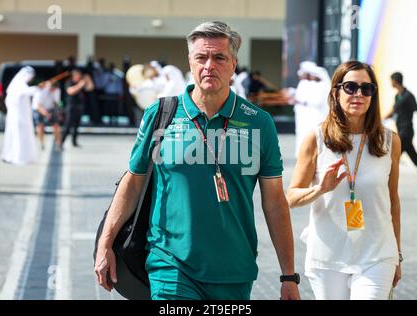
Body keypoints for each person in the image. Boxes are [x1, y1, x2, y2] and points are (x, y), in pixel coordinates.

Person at [94, 21, 301, 300]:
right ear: (190, 62)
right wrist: (105, 243)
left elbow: (275, 201)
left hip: (234, 270)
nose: (209, 66)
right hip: (171, 265)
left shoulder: (259, 123)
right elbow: (132, 182)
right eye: (201, 57)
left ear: (233, 64)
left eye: (219, 57)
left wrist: (289, 275)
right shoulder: (161, 114)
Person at [287, 61, 402, 300]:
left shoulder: (389, 141)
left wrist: (397, 255)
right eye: (350, 87)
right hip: (328, 257)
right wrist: (320, 189)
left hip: (377, 255)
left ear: (373, 95)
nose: (358, 94)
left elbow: (393, 202)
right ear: (335, 92)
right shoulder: (316, 138)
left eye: (366, 88)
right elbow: (292, 197)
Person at [384, 72, 417, 199]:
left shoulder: (409, 96)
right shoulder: (397, 97)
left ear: (395, 81)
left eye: (391, 81)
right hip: (401, 132)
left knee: (392, 158)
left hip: (407, 132)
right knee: (415, 160)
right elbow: (393, 112)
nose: (391, 83)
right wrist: (380, 120)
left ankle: (384, 187)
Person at [1, 66, 39, 165]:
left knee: (14, 136)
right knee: (18, 136)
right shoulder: (19, 85)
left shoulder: (17, 84)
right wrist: (38, 87)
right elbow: (27, 91)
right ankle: (17, 156)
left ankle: (11, 155)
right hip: (19, 116)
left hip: (17, 116)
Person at [32, 81, 63, 150]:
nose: (53, 91)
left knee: (56, 125)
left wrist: (59, 113)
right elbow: (38, 106)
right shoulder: (42, 91)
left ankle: (58, 144)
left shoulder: (57, 90)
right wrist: (47, 114)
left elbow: (57, 103)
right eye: (52, 89)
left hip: (50, 107)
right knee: (40, 125)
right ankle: (41, 144)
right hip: (38, 108)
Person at [61, 69, 87, 148]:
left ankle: (74, 142)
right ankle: (60, 142)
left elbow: (91, 88)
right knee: (67, 126)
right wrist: (80, 85)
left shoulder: (81, 83)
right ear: (74, 75)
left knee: (76, 126)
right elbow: (70, 91)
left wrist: (88, 80)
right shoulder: (69, 82)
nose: (80, 76)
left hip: (79, 107)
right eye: (78, 75)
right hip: (71, 107)